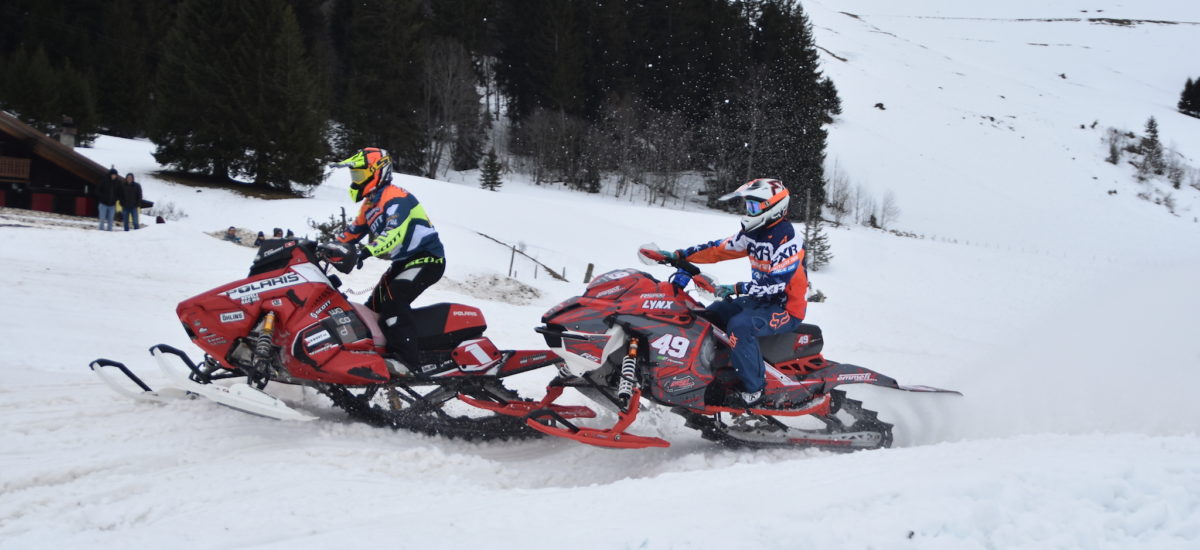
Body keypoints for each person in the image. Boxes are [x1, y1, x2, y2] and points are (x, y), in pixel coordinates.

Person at [656, 178, 807, 407]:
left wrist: (737, 288)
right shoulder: (754, 232)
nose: (749, 211)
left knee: (741, 326)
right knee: (708, 316)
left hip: (785, 307)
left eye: (754, 206)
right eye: (748, 205)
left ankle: (754, 390)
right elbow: (719, 249)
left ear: (774, 208)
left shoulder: (788, 240)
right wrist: (680, 255)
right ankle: (705, 373)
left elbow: (776, 282)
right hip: (758, 300)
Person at [332, 147, 445, 373]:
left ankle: (407, 361)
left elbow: (394, 233)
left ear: (377, 172)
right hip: (404, 262)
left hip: (427, 258)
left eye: (360, 175)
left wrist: (365, 251)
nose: (356, 181)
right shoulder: (370, 204)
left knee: (394, 300)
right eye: (354, 176)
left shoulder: (396, 197)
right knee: (372, 309)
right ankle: (376, 353)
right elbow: (351, 233)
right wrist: (325, 250)